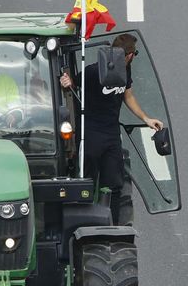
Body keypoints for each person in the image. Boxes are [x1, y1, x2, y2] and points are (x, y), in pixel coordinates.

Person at [59, 33, 164, 224]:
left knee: (115, 184)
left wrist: (146, 118)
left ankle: (115, 227)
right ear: (129, 55)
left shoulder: (125, 71)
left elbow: (128, 96)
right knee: (86, 184)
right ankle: (85, 223)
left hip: (111, 136)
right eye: (134, 54)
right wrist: (67, 82)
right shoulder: (93, 72)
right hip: (89, 135)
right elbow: (72, 83)